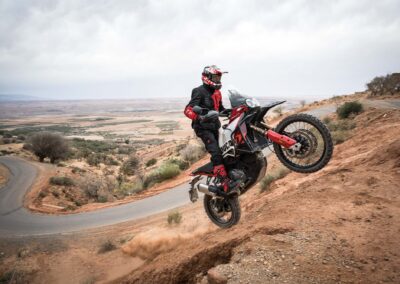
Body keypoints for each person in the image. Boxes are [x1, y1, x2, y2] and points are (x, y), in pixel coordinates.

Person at [184, 65, 230, 191]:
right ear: (207, 77)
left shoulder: (217, 92)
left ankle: (228, 173)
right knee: (215, 151)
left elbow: (220, 109)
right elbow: (187, 110)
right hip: (203, 128)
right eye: (215, 77)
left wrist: (233, 111)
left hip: (215, 126)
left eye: (218, 77)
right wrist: (199, 117)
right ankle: (223, 181)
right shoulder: (198, 91)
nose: (217, 80)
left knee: (226, 149)